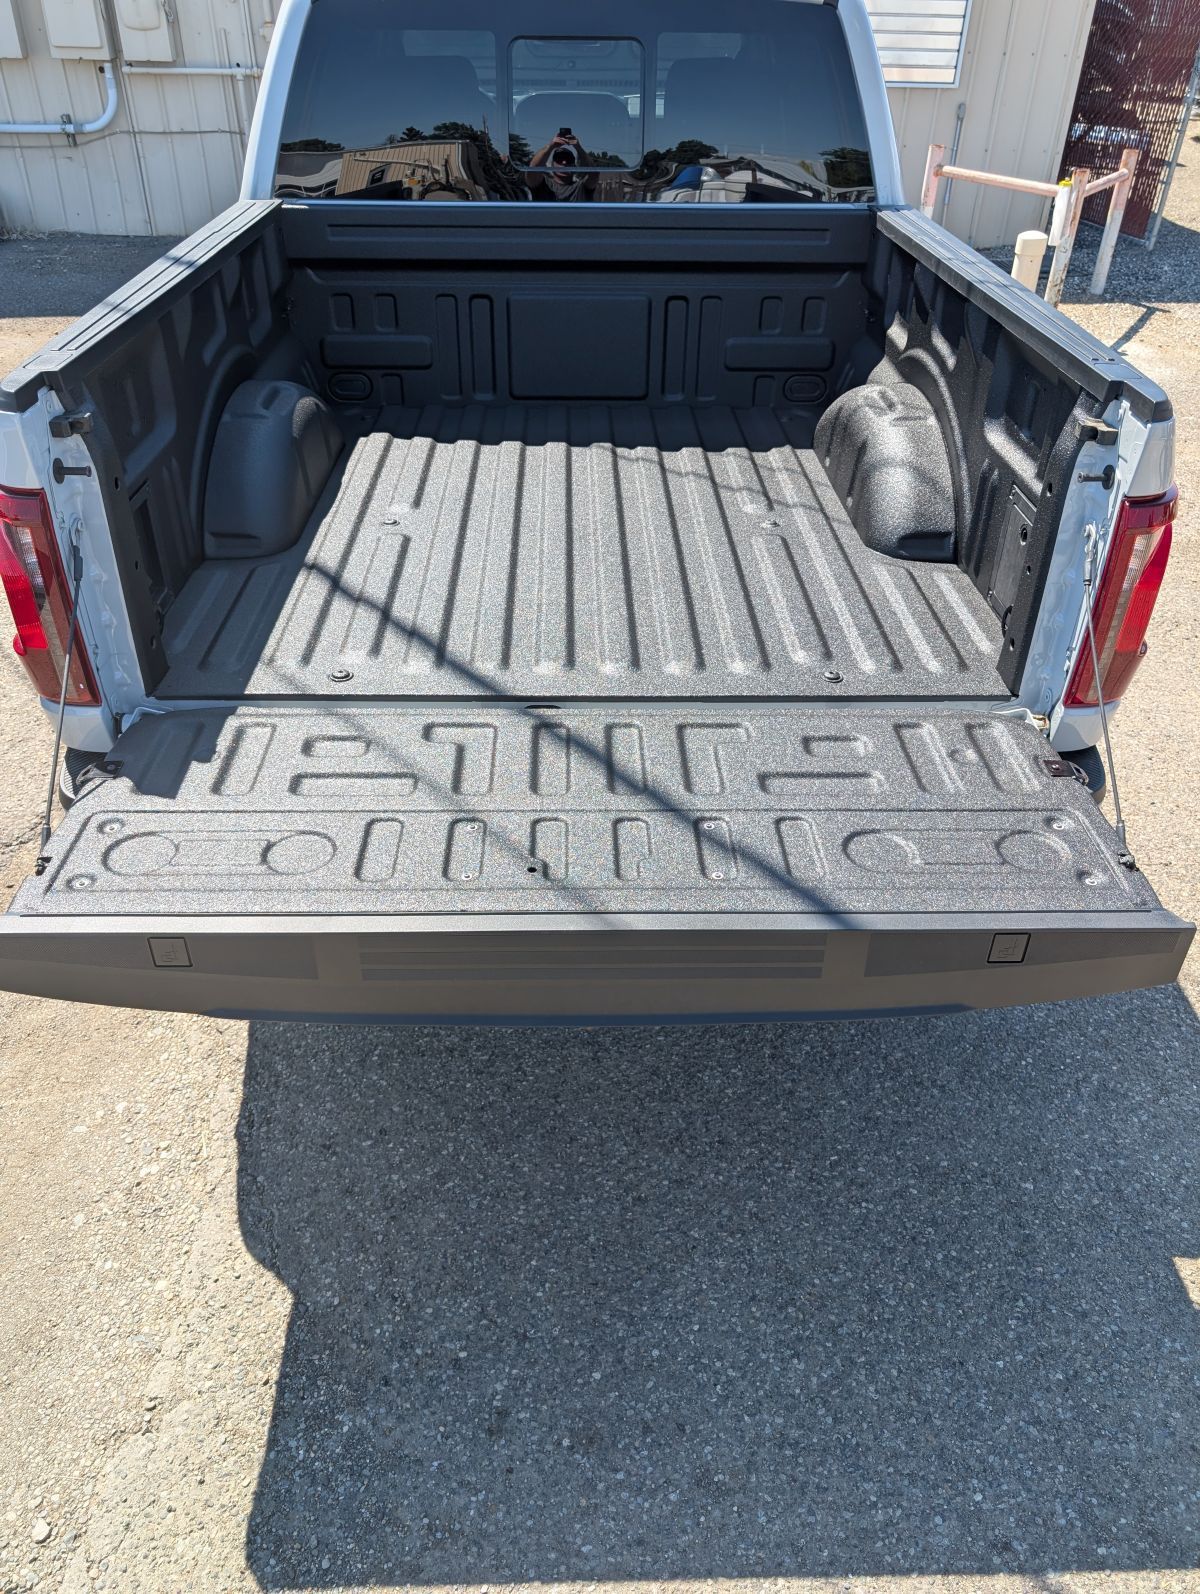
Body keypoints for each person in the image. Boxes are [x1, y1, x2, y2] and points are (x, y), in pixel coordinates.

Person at [527, 130, 597, 201]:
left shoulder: (581, 187)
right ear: (552, 165)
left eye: (568, 159)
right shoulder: (543, 184)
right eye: (559, 159)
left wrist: (578, 147)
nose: (564, 162)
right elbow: (532, 170)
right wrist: (551, 146)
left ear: (574, 166)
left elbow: (594, 173)